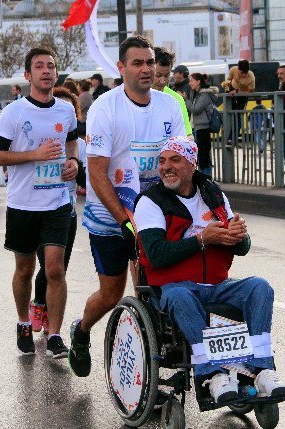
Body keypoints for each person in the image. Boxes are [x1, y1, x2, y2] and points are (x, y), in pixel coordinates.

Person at [133, 137, 285, 403]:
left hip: (217, 286)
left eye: (175, 160)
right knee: (181, 297)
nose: (166, 167)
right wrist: (202, 240)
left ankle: (262, 367)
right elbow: (156, 255)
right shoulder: (151, 201)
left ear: (192, 164)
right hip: (174, 288)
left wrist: (240, 236)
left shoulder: (212, 193)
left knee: (259, 287)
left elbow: (241, 248)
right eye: (162, 161)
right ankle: (211, 374)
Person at [68, 35, 186, 377]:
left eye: (150, 62)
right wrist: (124, 220)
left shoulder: (169, 106)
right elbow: (97, 172)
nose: (146, 69)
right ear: (121, 68)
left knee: (154, 286)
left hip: (153, 210)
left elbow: (179, 160)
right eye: (137, 63)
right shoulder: (106, 106)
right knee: (111, 293)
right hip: (111, 214)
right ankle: (81, 330)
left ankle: (150, 355)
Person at [0, 47, 79, 357]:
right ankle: (22, 322)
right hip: (23, 204)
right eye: (39, 66)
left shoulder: (66, 109)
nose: (46, 71)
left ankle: (54, 334)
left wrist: (73, 162)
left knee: (55, 270)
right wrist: (34, 155)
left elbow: (71, 141)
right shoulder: (14, 112)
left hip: (56, 202)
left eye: (51, 66)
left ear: (56, 74)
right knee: (25, 270)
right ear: (28, 75)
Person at [30, 87, 87, 335]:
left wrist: (76, 167)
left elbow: (87, 180)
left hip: (67, 212)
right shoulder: (38, 140)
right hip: (39, 211)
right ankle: (39, 304)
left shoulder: (80, 145)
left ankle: (50, 316)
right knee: (48, 266)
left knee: (58, 269)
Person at [153, 46, 193, 137]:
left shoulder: (176, 99)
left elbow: (188, 135)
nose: (162, 81)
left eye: (166, 76)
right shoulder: (134, 95)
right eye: (158, 75)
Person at [186, 72, 217, 174]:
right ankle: (204, 177)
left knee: (203, 156)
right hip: (197, 128)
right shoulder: (197, 94)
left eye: (192, 81)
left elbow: (195, 109)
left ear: (198, 81)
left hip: (202, 129)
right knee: (200, 156)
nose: (190, 83)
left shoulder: (204, 95)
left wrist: (186, 100)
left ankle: (206, 179)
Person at [222, 60, 255, 146]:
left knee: (238, 115)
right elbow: (229, 80)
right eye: (242, 72)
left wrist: (237, 92)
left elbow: (250, 91)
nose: (243, 75)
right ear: (238, 69)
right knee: (230, 113)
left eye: (245, 73)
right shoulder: (233, 69)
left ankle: (233, 137)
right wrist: (227, 86)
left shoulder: (251, 77)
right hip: (232, 88)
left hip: (243, 94)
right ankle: (228, 136)